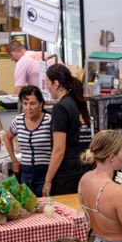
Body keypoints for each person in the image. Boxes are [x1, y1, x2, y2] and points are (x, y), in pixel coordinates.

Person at [42, 61, 86, 196]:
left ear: (56, 84)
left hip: (65, 171)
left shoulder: (60, 107)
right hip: (77, 167)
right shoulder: (73, 101)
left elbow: (59, 150)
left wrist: (48, 180)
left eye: (48, 83)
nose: (47, 87)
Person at [4, 83, 49, 193]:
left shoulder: (50, 121)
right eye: (25, 103)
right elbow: (7, 137)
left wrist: (49, 180)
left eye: (32, 103)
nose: (28, 108)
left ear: (41, 104)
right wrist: (14, 160)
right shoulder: (18, 121)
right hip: (25, 171)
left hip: (45, 172)